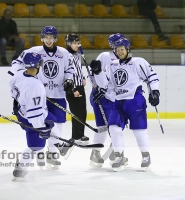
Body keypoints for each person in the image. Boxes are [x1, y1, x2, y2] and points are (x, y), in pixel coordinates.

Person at [91, 37, 160, 172]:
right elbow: (105, 84)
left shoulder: (138, 62)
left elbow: (151, 76)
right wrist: (98, 72)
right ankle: (118, 156)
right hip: (118, 102)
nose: (120, 52)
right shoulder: (112, 65)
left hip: (135, 100)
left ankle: (146, 156)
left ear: (127, 49)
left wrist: (155, 91)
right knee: (114, 129)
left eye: (122, 49)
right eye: (117, 50)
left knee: (139, 131)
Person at [11, 26, 75, 167]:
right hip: (41, 96)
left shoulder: (64, 53)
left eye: (51, 37)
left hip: (58, 95)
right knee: (43, 124)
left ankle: (51, 155)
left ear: (55, 39)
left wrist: (69, 80)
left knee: (56, 125)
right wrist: (21, 76)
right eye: (46, 37)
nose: (48, 40)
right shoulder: (34, 51)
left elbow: (70, 69)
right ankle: (41, 151)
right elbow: (16, 63)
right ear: (42, 38)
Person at [89, 33, 128, 167]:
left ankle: (115, 152)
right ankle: (96, 153)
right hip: (101, 98)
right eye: (116, 45)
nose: (119, 48)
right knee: (104, 128)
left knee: (117, 127)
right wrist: (98, 90)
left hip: (116, 99)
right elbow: (93, 72)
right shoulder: (105, 57)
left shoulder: (127, 59)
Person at [64, 33, 89, 144]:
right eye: (73, 43)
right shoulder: (66, 55)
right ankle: (75, 136)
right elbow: (67, 73)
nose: (76, 45)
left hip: (80, 86)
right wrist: (73, 89)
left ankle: (81, 134)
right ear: (68, 44)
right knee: (76, 112)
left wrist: (82, 77)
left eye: (77, 43)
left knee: (83, 111)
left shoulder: (77, 55)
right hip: (72, 87)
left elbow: (77, 70)